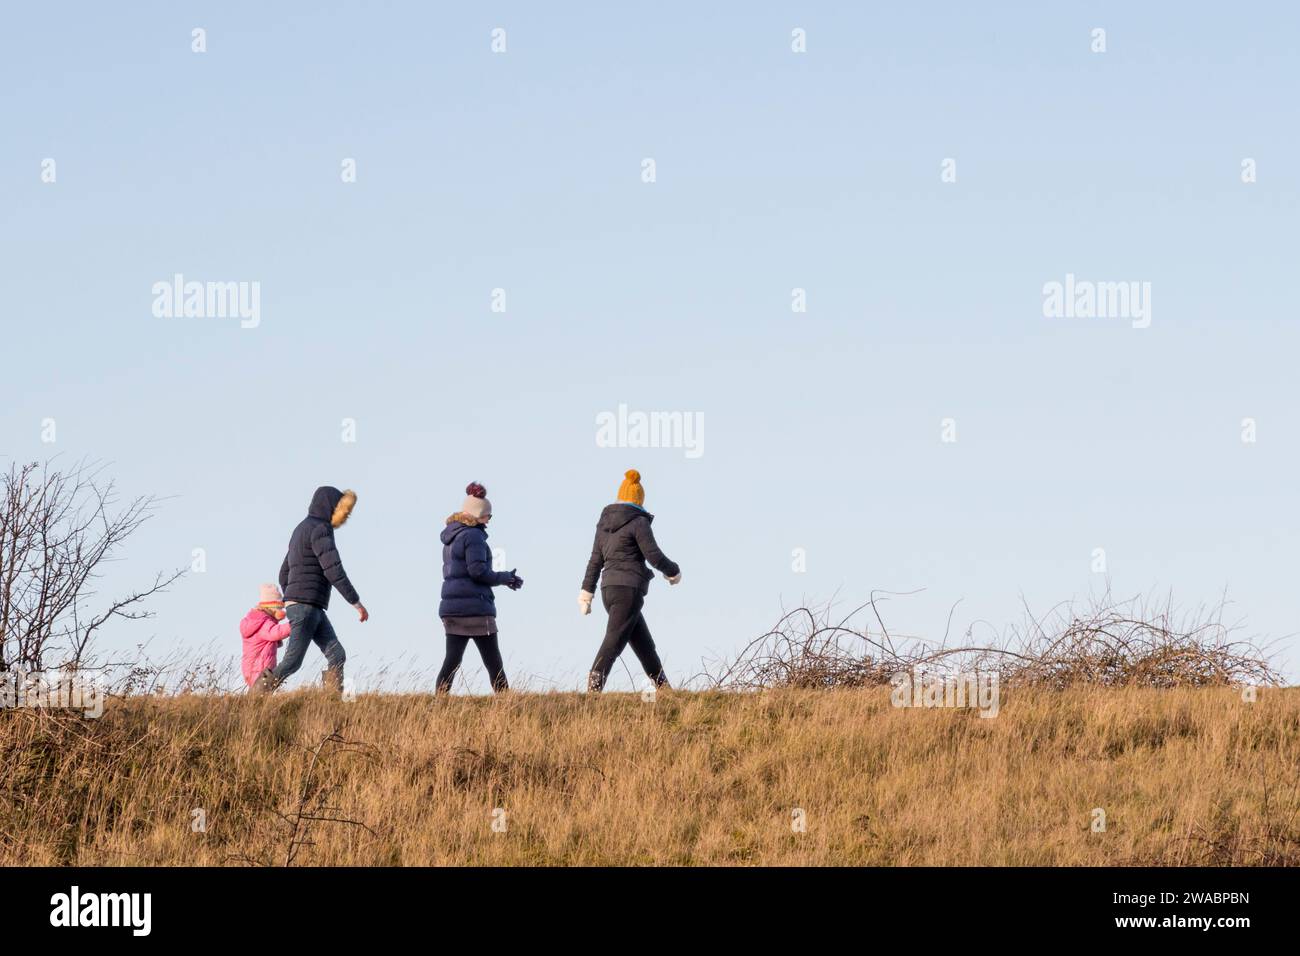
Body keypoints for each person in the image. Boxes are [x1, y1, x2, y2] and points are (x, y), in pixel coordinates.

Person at [254, 486, 368, 697]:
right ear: (331, 507)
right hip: (306, 606)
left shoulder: (300, 529)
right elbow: (333, 569)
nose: (344, 516)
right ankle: (256, 696)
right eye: (342, 509)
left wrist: (292, 598)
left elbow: (284, 572)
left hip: (309, 606)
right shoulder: (320, 529)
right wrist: (356, 603)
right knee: (292, 662)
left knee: (337, 654)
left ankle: (332, 702)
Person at [579, 469, 681, 692]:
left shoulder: (604, 524)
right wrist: (673, 571)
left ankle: (663, 688)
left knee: (643, 643)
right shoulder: (638, 521)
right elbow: (653, 555)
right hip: (629, 589)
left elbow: (595, 560)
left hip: (609, 590)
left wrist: (586, 593)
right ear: (639, 500)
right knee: (614, 640)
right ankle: (593, 688)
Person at [436, 482, 522, 694]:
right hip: (474, 609)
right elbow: (478, 572)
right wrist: (505, 578)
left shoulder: (451, 535)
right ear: (478, 515)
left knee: (452, 660)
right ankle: (506, 703)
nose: (489, 520)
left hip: (452, 609)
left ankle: (439, 701)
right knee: (493, 661)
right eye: (488, 516)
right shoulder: (472, 536)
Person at [240, 583, 293, 689]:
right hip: (258, 668)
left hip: (253, 667)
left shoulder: (258, 620)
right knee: (260, 693)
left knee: (261, 693)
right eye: (278, 608)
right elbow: (276, 632)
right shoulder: (263, 621)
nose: (281, 612)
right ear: (271, 607)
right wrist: (293, 624)